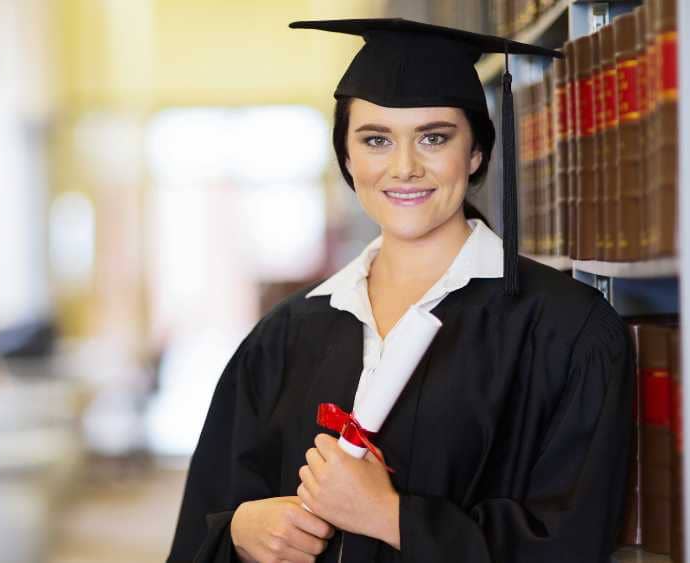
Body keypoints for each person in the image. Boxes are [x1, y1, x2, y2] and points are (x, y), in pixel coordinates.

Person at [168, 18, 634, 563]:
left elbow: (575, 543)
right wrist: (241, 532)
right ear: (347, 158)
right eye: (376, 140)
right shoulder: (285, 336)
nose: (405, 167)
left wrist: (391, 518)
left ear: (477, 153)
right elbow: (206, 522)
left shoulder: (567, 332)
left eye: (434, 137)